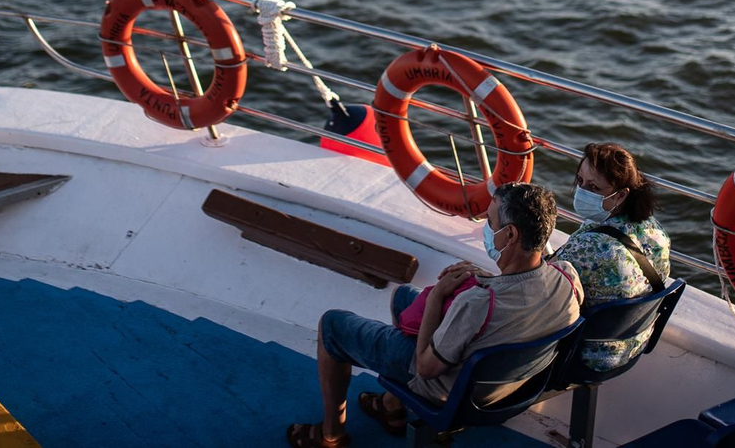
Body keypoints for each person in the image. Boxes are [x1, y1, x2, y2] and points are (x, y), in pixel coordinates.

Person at [288, 182, 582, 448]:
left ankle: (330, 436)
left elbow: (426, 368)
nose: (487, 228)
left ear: (511, 234)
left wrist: (437, 296)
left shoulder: (477, 303)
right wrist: (489, 278)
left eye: (491, 223)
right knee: (405, 296)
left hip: (450, 391)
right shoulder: (567, 279)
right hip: (508, 388)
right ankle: (392, 406)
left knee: (333, 326)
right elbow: (521, 293)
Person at [552, 142, 673, 372]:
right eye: (580, 181)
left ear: (621, 195)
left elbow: (544, 287)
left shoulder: (589, 247)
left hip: (584, 358)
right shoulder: (655, 231)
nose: (582, 191)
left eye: (594, 187)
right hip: (632, 346)